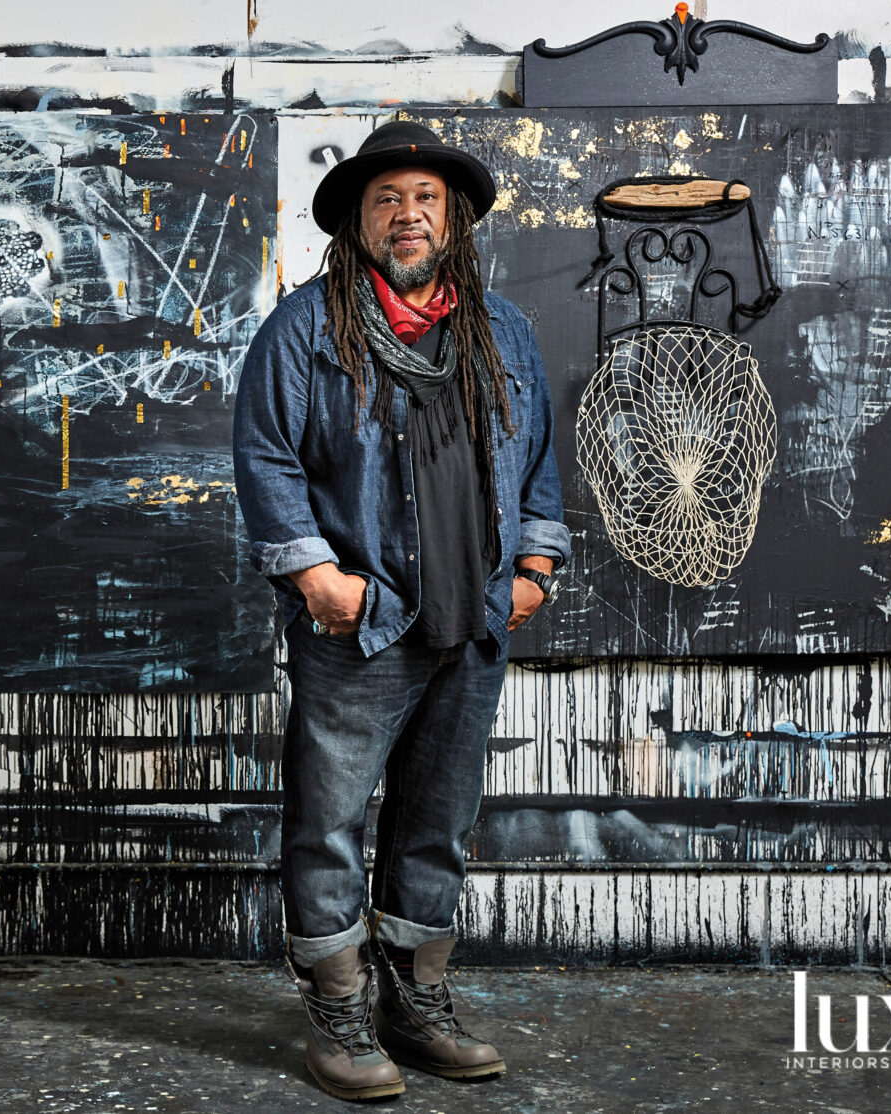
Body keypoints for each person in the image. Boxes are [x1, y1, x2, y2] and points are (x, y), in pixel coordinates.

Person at [232, 120, 569, 1100]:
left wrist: (534, 570)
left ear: (452, 218)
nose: (407, 214)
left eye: (423, 199)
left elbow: (538, 460)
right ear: (357, 221)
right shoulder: (304, 327)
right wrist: (315, 579)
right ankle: (338, 1013)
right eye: (386, 199)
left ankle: (414, 1005)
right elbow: (264, 460)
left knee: (435, 822)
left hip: (472, 622)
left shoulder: (499, 331)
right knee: (328, 821)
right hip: (360, 623)